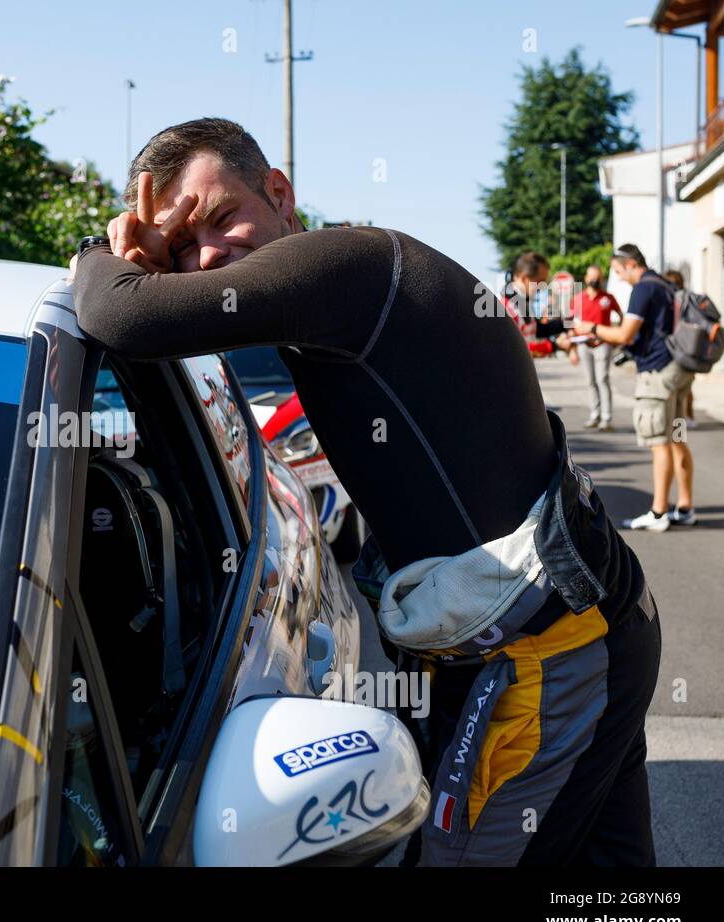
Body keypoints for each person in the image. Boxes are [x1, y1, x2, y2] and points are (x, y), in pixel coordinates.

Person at [72, 118, 660, 866]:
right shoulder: (332, 301)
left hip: (545, 653)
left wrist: (101, 250)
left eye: (220, 218)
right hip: (581, 624)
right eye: (184, 246)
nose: (208, 254)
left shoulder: (346, 265)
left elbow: (119, 314)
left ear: (279, 191)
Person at [577, 245, 696, 530]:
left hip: (657, 378)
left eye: (618, 272)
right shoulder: (665, 285)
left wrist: (590, 329)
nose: (618, 278)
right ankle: (685, 506)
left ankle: (658, 513)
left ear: (630, 264)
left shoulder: (643, 289)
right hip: (679, 376)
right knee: (678, 437)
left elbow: (626, 333)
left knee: (660, 442)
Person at [569, 264, 621, 431]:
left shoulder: (608, 298)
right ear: (586, 279)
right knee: (590, 381)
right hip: (584, 344)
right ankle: (595, 414)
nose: (595, 281)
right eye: (592, 278)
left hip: (602, 343)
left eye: (598, 278)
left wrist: (615, 335)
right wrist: (572, 348)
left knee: (602, 379)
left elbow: (621, 316)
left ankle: (606, 418)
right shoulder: (577, 299)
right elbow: (569, 323)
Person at [504, 252, 578, 362]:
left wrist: (565, 325)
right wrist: (554, 345)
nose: (543, 287)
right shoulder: (509, 308)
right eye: (540, 281)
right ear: (524, 278)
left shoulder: (522, 301)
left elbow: (535, 329)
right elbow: (516, 349)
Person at [664, 269, 697, 427]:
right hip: (688, 358)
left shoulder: (670, 303)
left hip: (674, 359)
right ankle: (679, 437)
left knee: (673, 401)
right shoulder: (690, 301)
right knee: (680, 401)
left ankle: (676, 437)